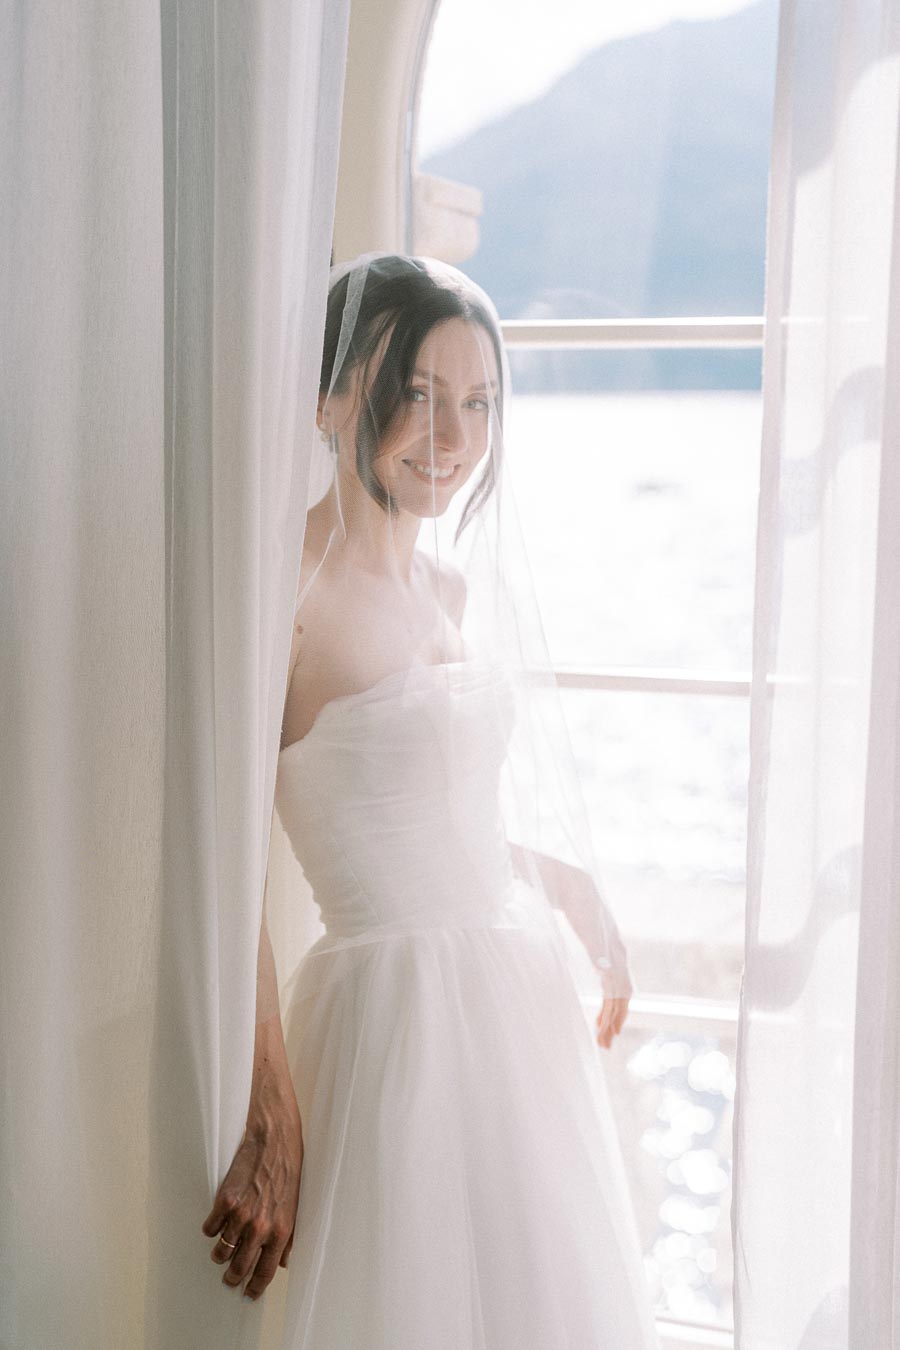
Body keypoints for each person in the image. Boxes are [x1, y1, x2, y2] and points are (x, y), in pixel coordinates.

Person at [202, 253, 660, 1347]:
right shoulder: (281, 594)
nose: (449, 437)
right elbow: (217, 864)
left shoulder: (447, 587)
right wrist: (267, 1091)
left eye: (476, 403)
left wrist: (566, 885)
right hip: (388, 1026)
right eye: (416, 394)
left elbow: (431, 807)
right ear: (329, 397)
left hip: (511, 1001)